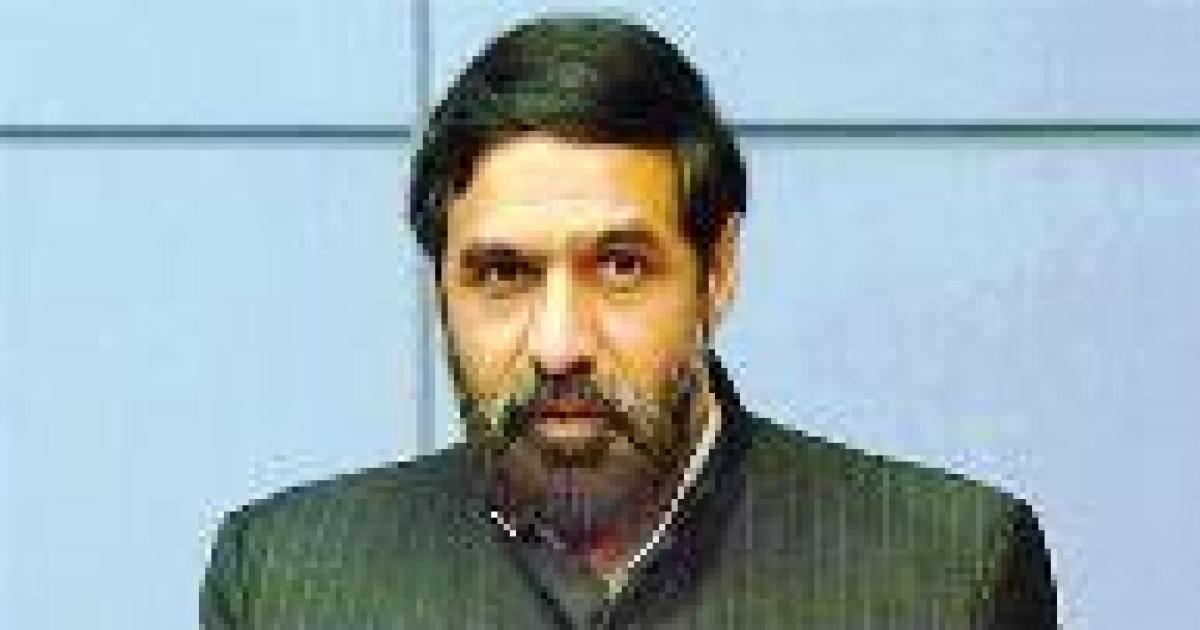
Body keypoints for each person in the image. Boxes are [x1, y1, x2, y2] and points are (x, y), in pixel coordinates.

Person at [201, 15, 1057, 629]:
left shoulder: (948, 576)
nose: (559, 344)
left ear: (717, 272)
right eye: (503, 274)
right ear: (441, 291)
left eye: (620, 268)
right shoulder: (287, 584)